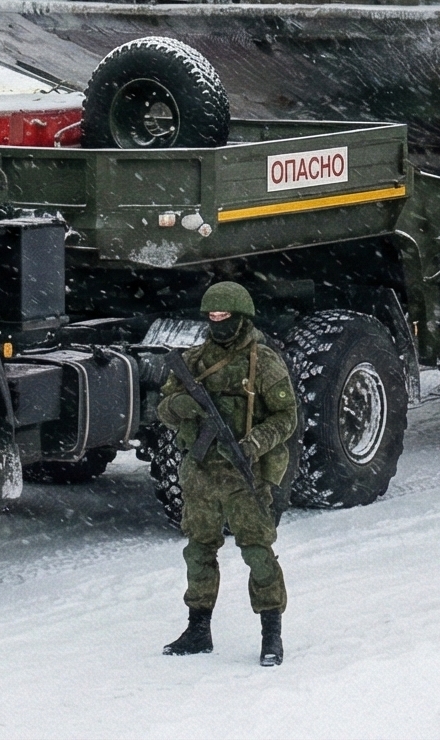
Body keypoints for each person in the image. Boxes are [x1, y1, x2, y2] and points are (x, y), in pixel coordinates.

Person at [155, 280, 299, 664]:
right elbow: (163, 409)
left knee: (258, 553)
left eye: (225, 316)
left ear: (241, 317)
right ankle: (198, 629)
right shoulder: (193, 361)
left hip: (244, 473)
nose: (218, 322)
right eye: (213, 316)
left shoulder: (262, 361)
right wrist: (179, 406)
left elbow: (287, 417)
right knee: (198, 551)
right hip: (201, 472)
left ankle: (271, 633)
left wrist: (254, 443)